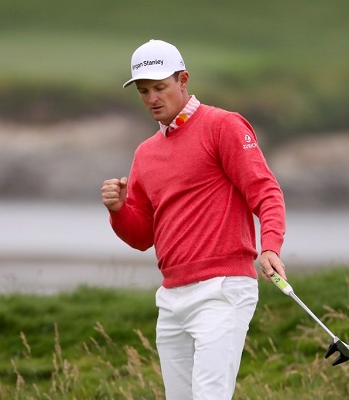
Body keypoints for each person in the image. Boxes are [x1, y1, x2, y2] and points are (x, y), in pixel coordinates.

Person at [101, 39, 287, 399]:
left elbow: (266, 193)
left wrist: (271, 245)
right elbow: (142, 237)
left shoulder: (223, 126)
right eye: (144, 91)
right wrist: (119, 210)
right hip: (171, 297)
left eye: (160, 87)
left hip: (223, 290)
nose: (152, 98)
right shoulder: (145, 154)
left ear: (183, 80)